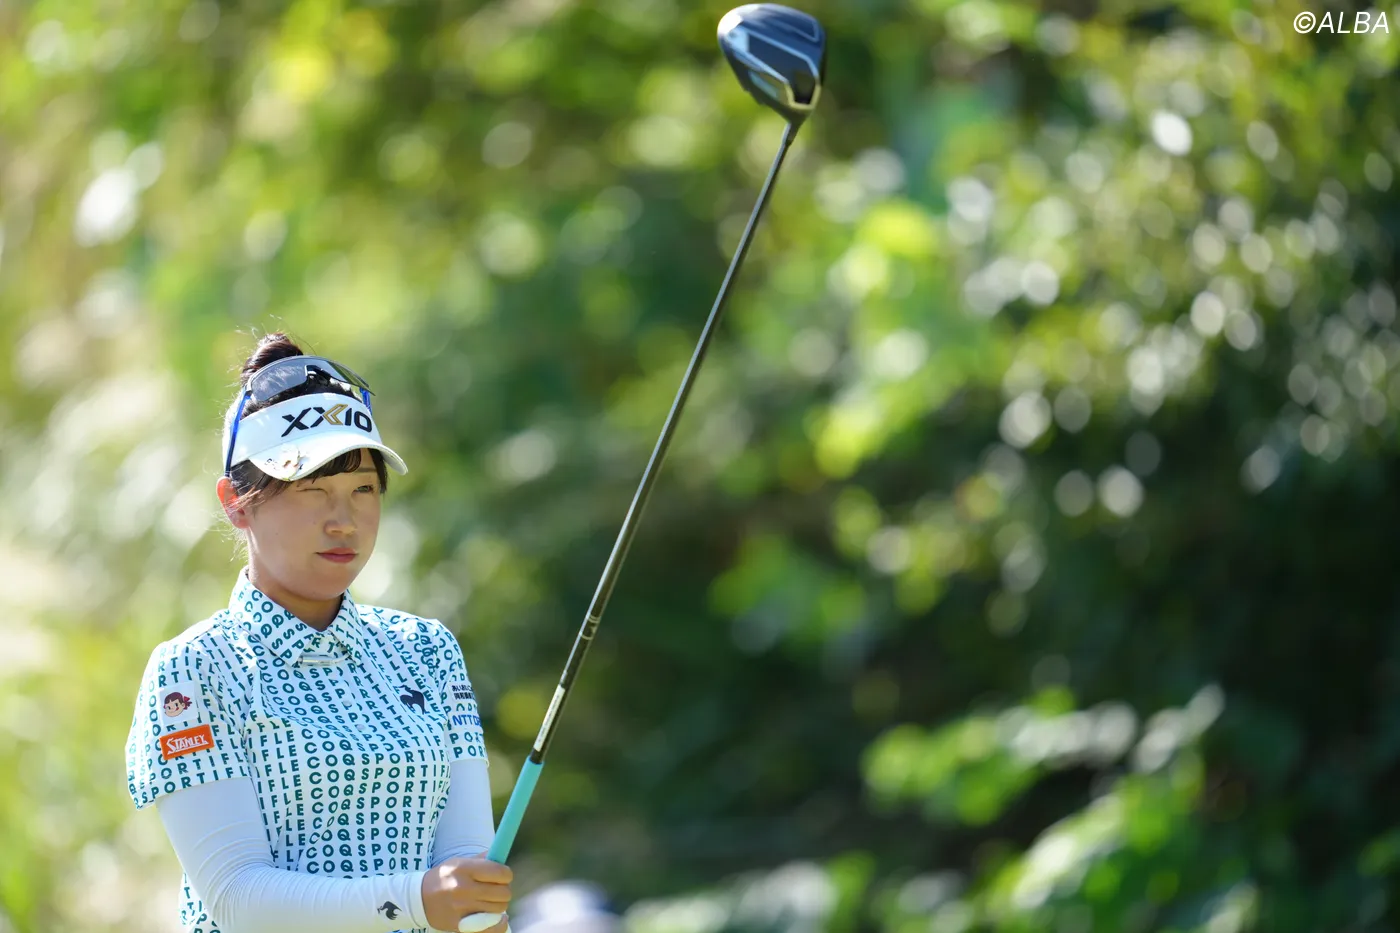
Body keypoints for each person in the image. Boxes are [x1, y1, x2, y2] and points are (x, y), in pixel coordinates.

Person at [125, 333, 513, 933]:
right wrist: (417, 902)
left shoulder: (427, 650)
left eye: (363, 489)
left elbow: (462, 861)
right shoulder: (194, 670)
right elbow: (238, 899)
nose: (344, 521)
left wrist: (476, 909)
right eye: (312, 490)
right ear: (235, 502)